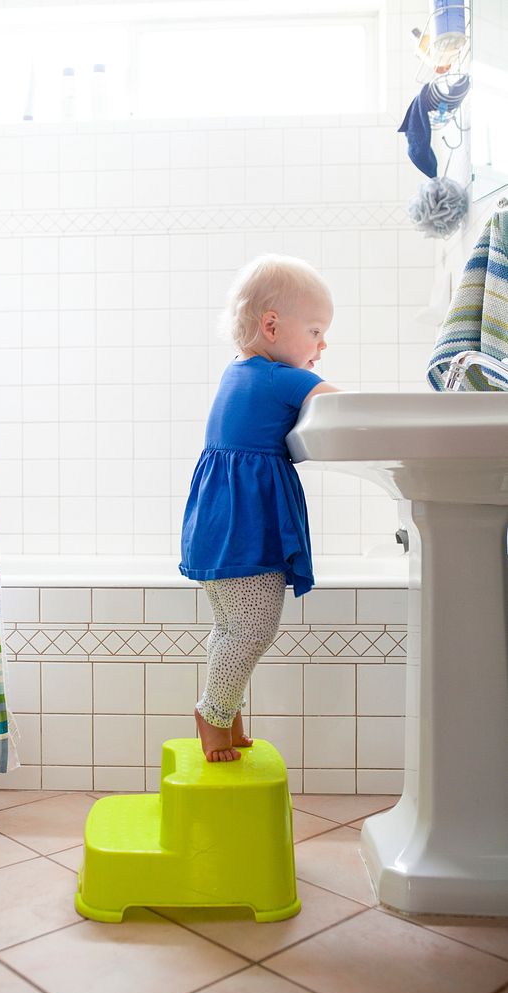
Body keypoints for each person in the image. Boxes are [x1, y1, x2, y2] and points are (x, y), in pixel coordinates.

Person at [179, 254, 340, 762]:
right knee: (254, 629)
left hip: (220, 526)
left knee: (232, 628)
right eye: (315, 330)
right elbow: (345, 406)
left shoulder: (241, 371)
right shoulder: (277, 377)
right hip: (244, 530)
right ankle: (213, 711)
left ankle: (227, 714)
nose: (322, 344)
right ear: (272, 325)